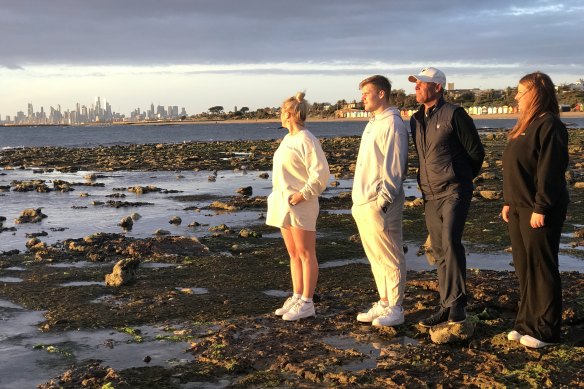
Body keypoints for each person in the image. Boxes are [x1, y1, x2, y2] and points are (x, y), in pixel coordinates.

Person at [408, 67, 485, 327]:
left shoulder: (455, 114)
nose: (416, 88)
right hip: (429, 194)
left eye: (421, 84)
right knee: (438, 249)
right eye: (416, 84)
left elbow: (476, 152)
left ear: (438, 87)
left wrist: (460, 178)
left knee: (451, 243)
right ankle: (446, 303)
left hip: (454, 190)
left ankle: (458, 305)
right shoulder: (416, 119)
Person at [501, 72, 569, 348]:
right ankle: (526, 322)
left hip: (540, 208)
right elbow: (517, 168)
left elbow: (549, 170)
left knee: (541, 267)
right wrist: (508, 201)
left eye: (521, 91)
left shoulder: (549, 124)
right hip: (518, 206)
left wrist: (541, 206)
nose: (516, 96)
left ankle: (546, 330)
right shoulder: (524, 125)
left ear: (536, 93)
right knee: (524, 267)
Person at [266, 91, 330, 321]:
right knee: (293, 253)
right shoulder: (288, 139)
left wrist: (303, 195)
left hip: (300, 204)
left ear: (291, 114)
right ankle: (297, 295)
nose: (279, 115)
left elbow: (321, 173)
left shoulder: (307, 139)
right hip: (283, 202)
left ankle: (307, 301)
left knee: (305, 253)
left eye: (282, 111)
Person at [352, 75, 409, 327]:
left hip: (380, 202)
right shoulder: (373, 122)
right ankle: (384, 301)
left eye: (367, 93)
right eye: (362, 93)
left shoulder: (393, 124)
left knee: (390, 255)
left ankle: (396, 307)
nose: (363, 97)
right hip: (363, 201)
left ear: (382, 93)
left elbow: (394, 166)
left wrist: (382, 201)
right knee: (375, 256)